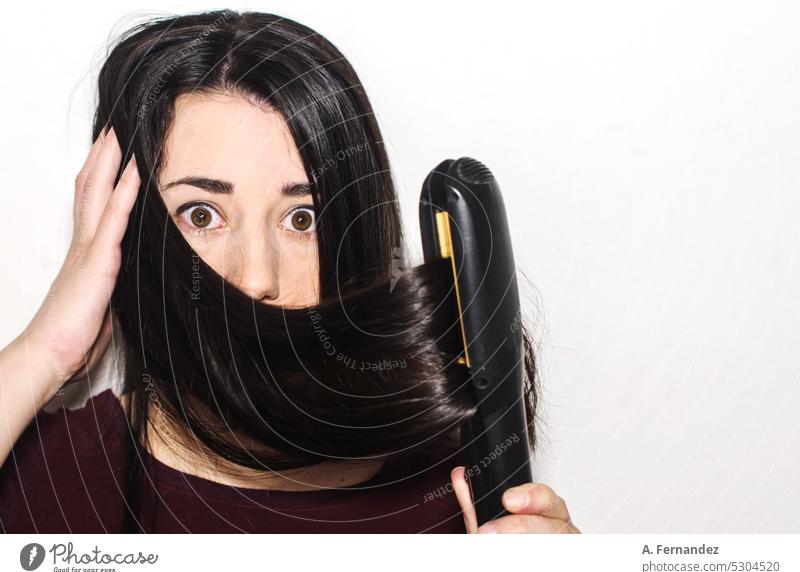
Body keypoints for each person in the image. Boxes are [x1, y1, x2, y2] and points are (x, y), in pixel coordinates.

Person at [0, 9, 579, 534]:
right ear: (129, 232)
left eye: (303, 218)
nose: (256, 280)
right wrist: (48, 348)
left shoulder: (463, 478)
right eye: (202, 214)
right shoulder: (53, 474)